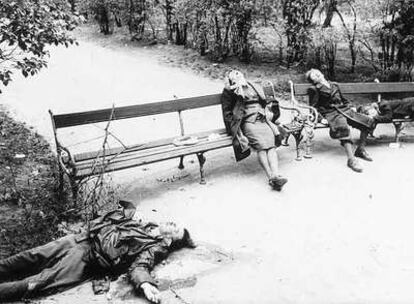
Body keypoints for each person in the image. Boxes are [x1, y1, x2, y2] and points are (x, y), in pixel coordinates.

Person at [0, 201, 195, 303]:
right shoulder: (144, 222)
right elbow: (108, 217)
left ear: (168, 240)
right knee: (30, 256)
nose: (173, 223)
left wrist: (145, 284)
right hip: (78, 239)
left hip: (85, 259)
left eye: (176, 229)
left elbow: (141, 266)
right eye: (176, 222)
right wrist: (130, 213)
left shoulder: (154, 247)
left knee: (38, 282)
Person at [221, 70, 288, 191]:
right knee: (261, 147)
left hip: (263, 119)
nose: (237, 74)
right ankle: (271, 177)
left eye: (238, 72)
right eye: (233, 74)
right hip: (248, 122)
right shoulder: (230, 91)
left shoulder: (252, 85)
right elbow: (227, 112)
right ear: (231, 80)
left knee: (271, 146)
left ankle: (276, 175)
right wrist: (233, 129)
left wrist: (270, 112)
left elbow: (267, 101)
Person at [305, 69, 376, 173]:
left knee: (367, 121)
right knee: (343, 129)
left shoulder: (334, 85)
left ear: (322, 73)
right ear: (313, 81)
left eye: (317, 73)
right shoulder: (314, 89)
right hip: (331, 113)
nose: (317, 75)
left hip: (345, 110)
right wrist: (321, 119)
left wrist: (351, 107)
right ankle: (351, 160)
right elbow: (313, 108)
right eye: (313, 76)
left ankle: (360, 149)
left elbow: (344, 99)